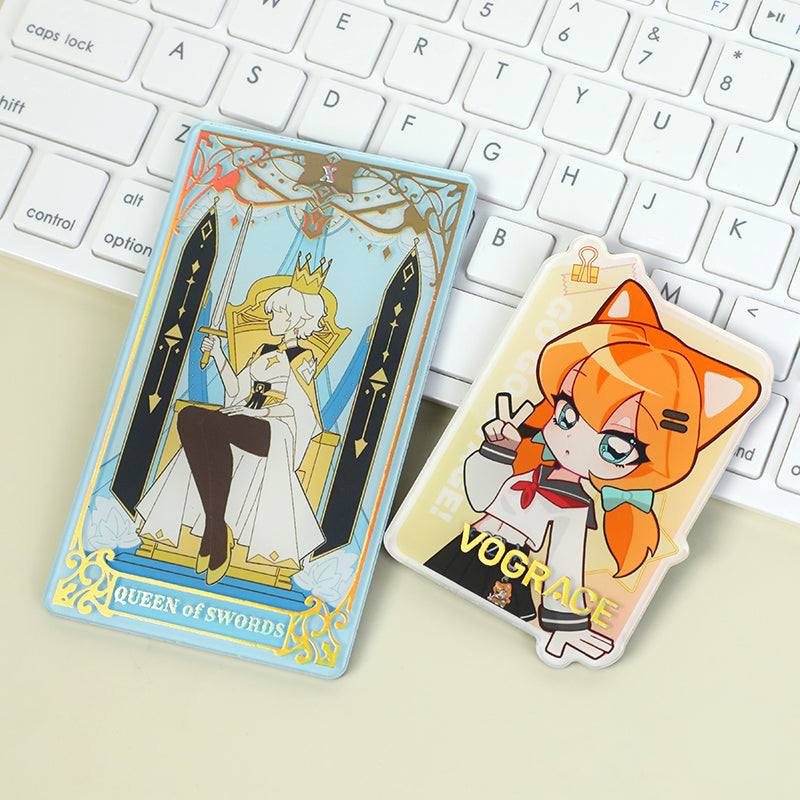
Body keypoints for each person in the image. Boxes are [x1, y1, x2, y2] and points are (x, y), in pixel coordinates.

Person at [426, 280, 761, 661]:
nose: (573, 440)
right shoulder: (530, 470)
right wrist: (498, 452)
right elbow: (480, 497)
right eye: (567, 413)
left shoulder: (573, 506)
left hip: (505, 575)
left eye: (615, 446)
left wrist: (567, 627)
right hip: (462, 549)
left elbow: (563, 568)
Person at [136, 282, 328, 585]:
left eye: (276, 313)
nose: (270, 319)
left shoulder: (302, 357)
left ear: (293, 318)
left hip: (275, 429)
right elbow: (237, 391)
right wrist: (218, 355)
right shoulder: (263, 350)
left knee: (213, 424)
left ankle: (214, 532)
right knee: (189, 416)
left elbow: (300, 408)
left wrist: (259, 413)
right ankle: (217, 528)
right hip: (244, 417)